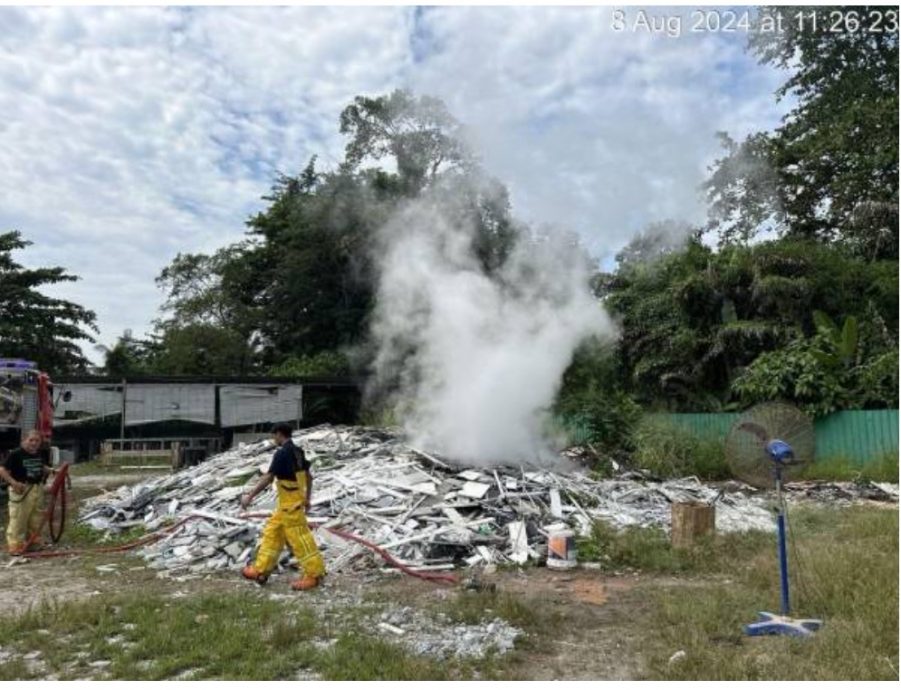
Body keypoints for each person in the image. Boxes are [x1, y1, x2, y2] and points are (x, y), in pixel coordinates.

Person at [240, 423, 325, 590]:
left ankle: (313, 575)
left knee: (300, 541)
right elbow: (309, 477)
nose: (273, 440)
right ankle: (261, 570)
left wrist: (249, 497)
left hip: (291, 507)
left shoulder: (282, 453)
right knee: (272, 533)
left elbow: (268, 478)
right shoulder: (298, 452)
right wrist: (307, 499)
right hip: (287, 505)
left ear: (279, 434)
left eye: (274, 436)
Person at [0, 430, 54, 554]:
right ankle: (16, 545)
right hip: (22, 489)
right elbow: (2, 470)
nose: (34, 443)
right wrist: (13, 483)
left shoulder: (39, 453)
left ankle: (33, 543)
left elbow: (41, 466)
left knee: (36, 517)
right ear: (23, 440)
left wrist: (51, 470)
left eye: (37, 441)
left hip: (37, 488)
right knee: (19, 518)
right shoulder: (15, 454)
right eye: (31, 440)